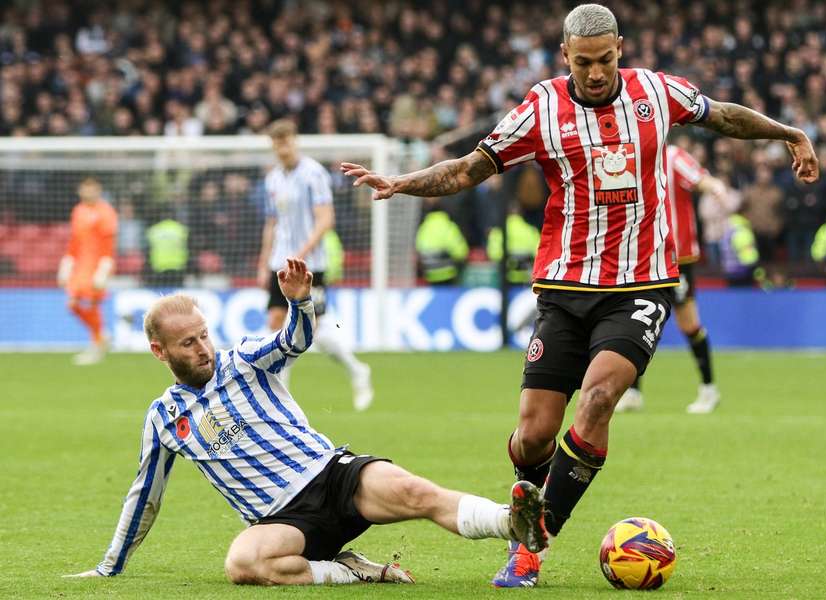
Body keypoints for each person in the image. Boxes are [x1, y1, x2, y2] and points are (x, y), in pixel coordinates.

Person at [341, 3, 818, 588]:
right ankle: (529, 493)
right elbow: (470, 169)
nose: (596, 73)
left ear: (621, 47)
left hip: (641, 285)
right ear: (565, 55)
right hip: (564, 289)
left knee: (597, 399)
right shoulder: (542, 107)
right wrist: (401, 183)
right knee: (534, 434)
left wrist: (788, 132)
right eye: (585, 62)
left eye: (607, 60)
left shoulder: (655, 92)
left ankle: (533, 544)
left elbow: (723, 117)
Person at [65, 258, 548, 585]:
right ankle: (351, 571)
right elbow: (145, 496)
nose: (202, 348)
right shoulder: (164, 419)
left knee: (419, 494)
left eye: (204, 336)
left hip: (333, 477)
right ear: (160, 352)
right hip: (285, 522)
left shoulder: (245, 360)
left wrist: (300, 303)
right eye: (187, 343)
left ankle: (514, 524)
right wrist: (110, 567)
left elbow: (293, 342)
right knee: (243, 563)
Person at [257, 119, 373, 411]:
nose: (282, 148)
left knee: (316, 331)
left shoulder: (313, 174)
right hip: (279, 263)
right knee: (275, 324)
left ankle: (357, 370)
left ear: (295, 140)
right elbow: (271, 223)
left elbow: (325, 219)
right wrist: (263, 262)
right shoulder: (273, 179)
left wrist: (302, 252)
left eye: (286, 141)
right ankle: (279, 396)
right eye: (277, 143)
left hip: (310, 264)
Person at [617, 144, 729, 414]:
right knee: (633, 321)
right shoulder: (631, 154)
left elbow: (699, 178)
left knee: (688, 323)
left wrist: (714, 186)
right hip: (642, 255)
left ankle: (708, 389)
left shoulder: (673, 156)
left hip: (677, 257)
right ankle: (632, 391)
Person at [57, 177, 118, 365]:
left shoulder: (106, 212)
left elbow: (109, 243)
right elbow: (74, 241)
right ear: (80, 191)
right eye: (85, 189)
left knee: (92, 304)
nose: (88, 192)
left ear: (98, 190)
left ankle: (96, 345)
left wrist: (104, 267)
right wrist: (67, 263)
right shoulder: (78, 211)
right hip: (80, 266)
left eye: (92, 189)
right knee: (73, 304)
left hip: (97, 265)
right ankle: (101, 335)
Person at [415, 197, 470, 285]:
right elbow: (461, 252)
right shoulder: (449, 226)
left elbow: (419, 249)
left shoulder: (423, 227)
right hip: (448, 274)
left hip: (430, 274)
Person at [487, 208, 542, 285]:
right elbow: (539, 255)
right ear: (521, 213)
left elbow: (493, 255)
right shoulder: (532, 231)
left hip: (504, 282)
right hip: (526, 281)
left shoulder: (497, 232)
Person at [720, 208, 762, 287]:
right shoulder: (742, 231)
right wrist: (756, 269)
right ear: (745, 215)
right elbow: (748, 257)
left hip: (729, 269)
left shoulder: (730, 228)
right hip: (742, 272)